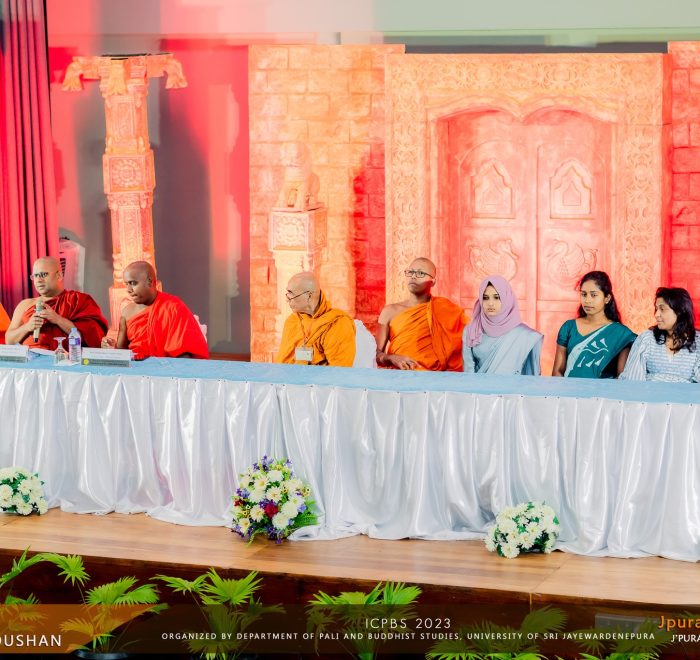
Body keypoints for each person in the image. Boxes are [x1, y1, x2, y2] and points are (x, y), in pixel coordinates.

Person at [102, 261, 208, 360]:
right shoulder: (126, 312)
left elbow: (186, 353)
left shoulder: (173, 307)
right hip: (136, 367)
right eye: (126, 284)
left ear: (150, 281)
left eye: (133, 283)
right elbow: (121, 351)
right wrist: (111, 346)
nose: (129, 290)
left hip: (166, 368)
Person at [376, 257, 466, 371]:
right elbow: (376, 354)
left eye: (420, 273)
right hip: (400, 376)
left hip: (435, 378)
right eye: (410, 272)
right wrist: (391, 358)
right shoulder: (390, 312)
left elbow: (465, 347)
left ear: (433, 282)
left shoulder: (446, 310)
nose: (413, 276)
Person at [5, 256, 108, 349]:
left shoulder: (78, 300)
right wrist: (27, 327)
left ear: (58, 276)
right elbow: (9, 340)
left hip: (64, 359)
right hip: (30, 360)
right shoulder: (25, 305)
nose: (38, 280)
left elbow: (91, 337)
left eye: (43, 274)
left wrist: (58, 320)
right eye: (35, 275)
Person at [552, 271, 636, 378]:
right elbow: (557, 371)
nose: (587, 300)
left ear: (607, 298)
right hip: (569, 388)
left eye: (593, 295)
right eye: (584, 294)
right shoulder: (569, 327)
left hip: (604, 389)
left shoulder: (621, 334)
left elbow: (622, 378)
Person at [463, 275, 543, 375]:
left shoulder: (525, 335)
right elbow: (468, 372)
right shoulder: (472, 330)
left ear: (507, 299)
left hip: (513, 385)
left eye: (496, 297)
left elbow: (530, 374)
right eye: (485, 298)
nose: (490, 303)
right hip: (477, 385)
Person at [275, 271, 356, 367]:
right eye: (288, 294)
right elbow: (281, 362)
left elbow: (339, 371)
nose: (287, 300)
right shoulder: (292, 321)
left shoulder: (337, 324)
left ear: (309, 296)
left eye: (291, 295)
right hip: (288, 376)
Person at [620, 287, 700, 382]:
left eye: (662, 309)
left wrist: (651, 377)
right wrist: (684, 382)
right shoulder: (646, 339)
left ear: (679, 311)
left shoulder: (698, 342)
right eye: (656, 309)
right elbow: (633, 380)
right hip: (648, 392)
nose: (656, 315)